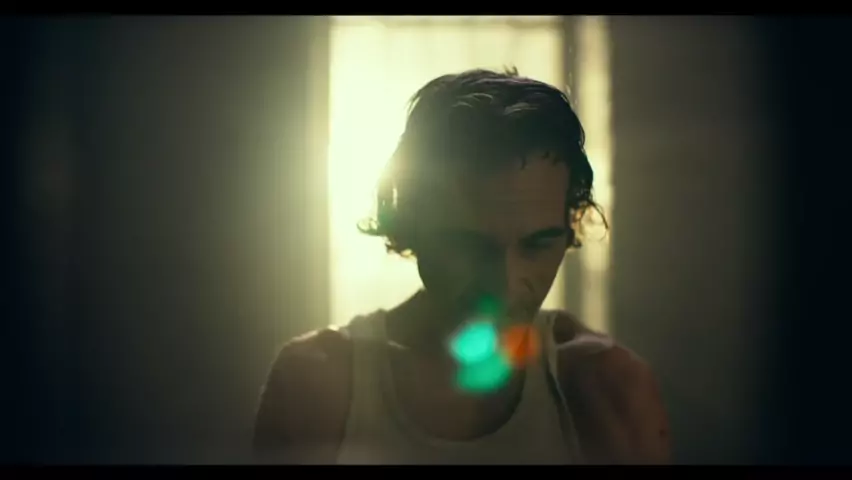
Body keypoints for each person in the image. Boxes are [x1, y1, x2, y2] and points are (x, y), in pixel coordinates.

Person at [253, 68, 670, 464]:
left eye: (537, 245)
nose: (505, 286)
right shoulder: (317, 386)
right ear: (412, 224)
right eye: (469, 247)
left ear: (569, 228)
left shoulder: (610, 390)